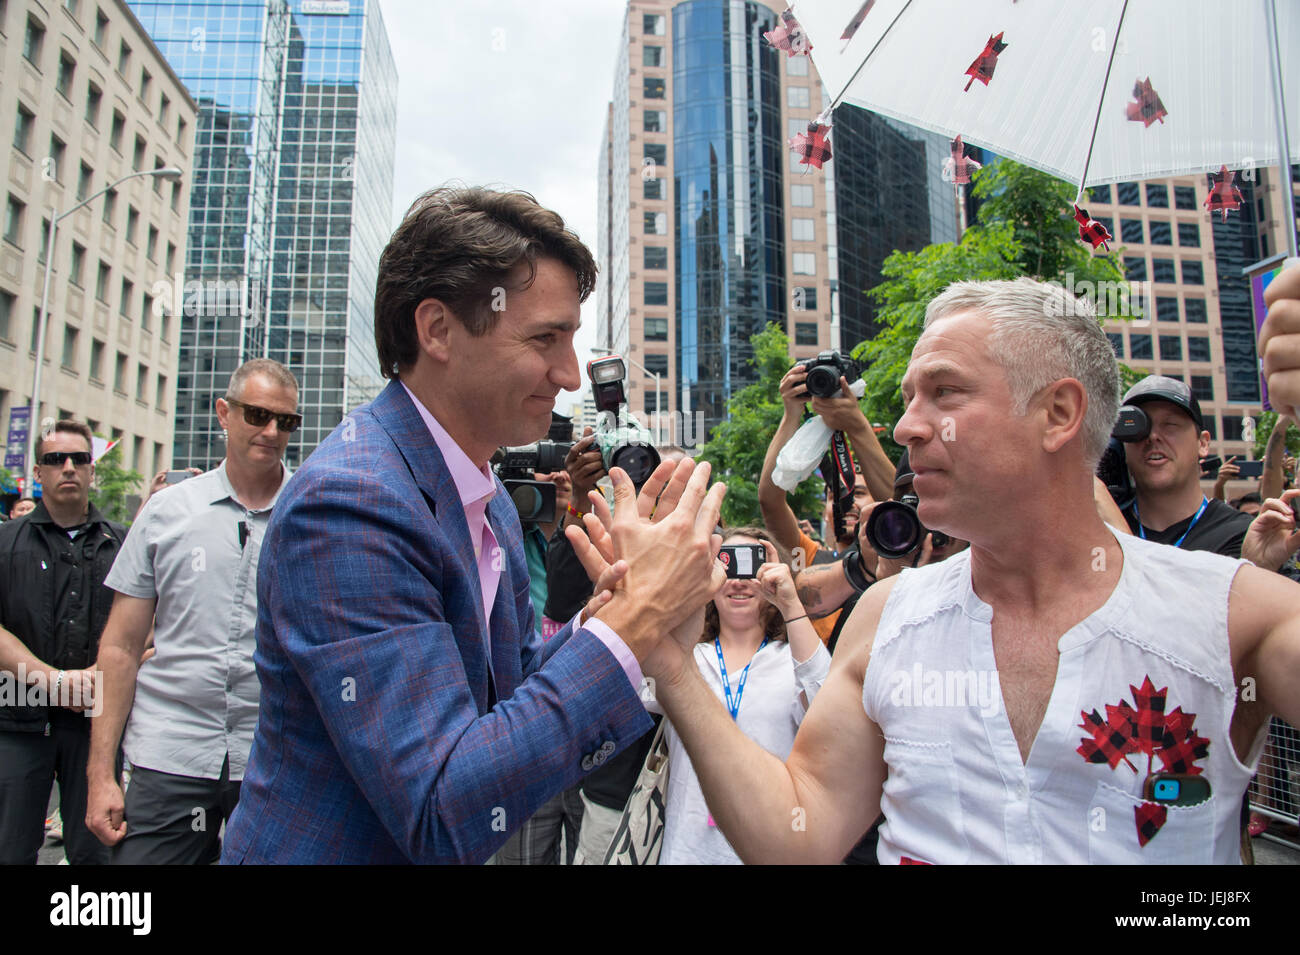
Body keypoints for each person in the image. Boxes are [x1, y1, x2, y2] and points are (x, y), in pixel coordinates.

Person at [580, 277, 1300, 864]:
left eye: (945, 393)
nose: (904, 425)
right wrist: (672, 665)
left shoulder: (1238, 615)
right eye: (908, 398)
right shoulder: (886, 616)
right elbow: (798, 833)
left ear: (1058, 412)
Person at [220, 186, 727, 865]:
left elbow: (508, 690)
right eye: (546, 337)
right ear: (437, 331)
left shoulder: (485, 497)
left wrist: (602, 614)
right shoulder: (353, 502)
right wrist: (630, 623)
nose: (571, 375)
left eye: (573, 340)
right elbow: (440, 808)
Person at [85, 359, 299, 864]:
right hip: (169, 752)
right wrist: (100, 775)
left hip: (271, 756)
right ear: (223, 413)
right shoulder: (167, 512)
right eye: (257, 415)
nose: (271, 431)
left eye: (286, 421)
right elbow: (119, 647)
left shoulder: (311, 513)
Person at [640, 527, 828, 864]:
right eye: (725, 567)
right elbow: (630, 689)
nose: (738, 582)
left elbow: (826, 708)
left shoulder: (793, 658)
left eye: (750, 569)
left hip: (771, 851)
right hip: (686, 852)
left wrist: (790, 602)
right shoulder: (683, 659)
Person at [0, 420, 126, 865]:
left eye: (80, 459)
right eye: (56, 459)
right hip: (16, 725)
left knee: (96, 854)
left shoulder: (122, 544)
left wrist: (102, 677)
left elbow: (147, 625)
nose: (68, 468)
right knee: (10, 851)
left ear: (92, 471)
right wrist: (52, 681)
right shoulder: (4, 542)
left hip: (96, 729)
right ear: (38, 472)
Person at [758, 361, 890, 642]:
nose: (849, 503)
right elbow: (770, 498)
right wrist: (791, 415)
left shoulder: (894, 554)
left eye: (860, 493)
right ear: (826, 509)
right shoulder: (805, 556)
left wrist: (856, 424)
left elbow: (898, 502)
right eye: (837, 496)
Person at [1120, 375, 1253, 558]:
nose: (1152, 436)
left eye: (1170, 425)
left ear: (1203, 443)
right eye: (1138, 426)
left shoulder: (1242, 534)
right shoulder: (1096, 527)